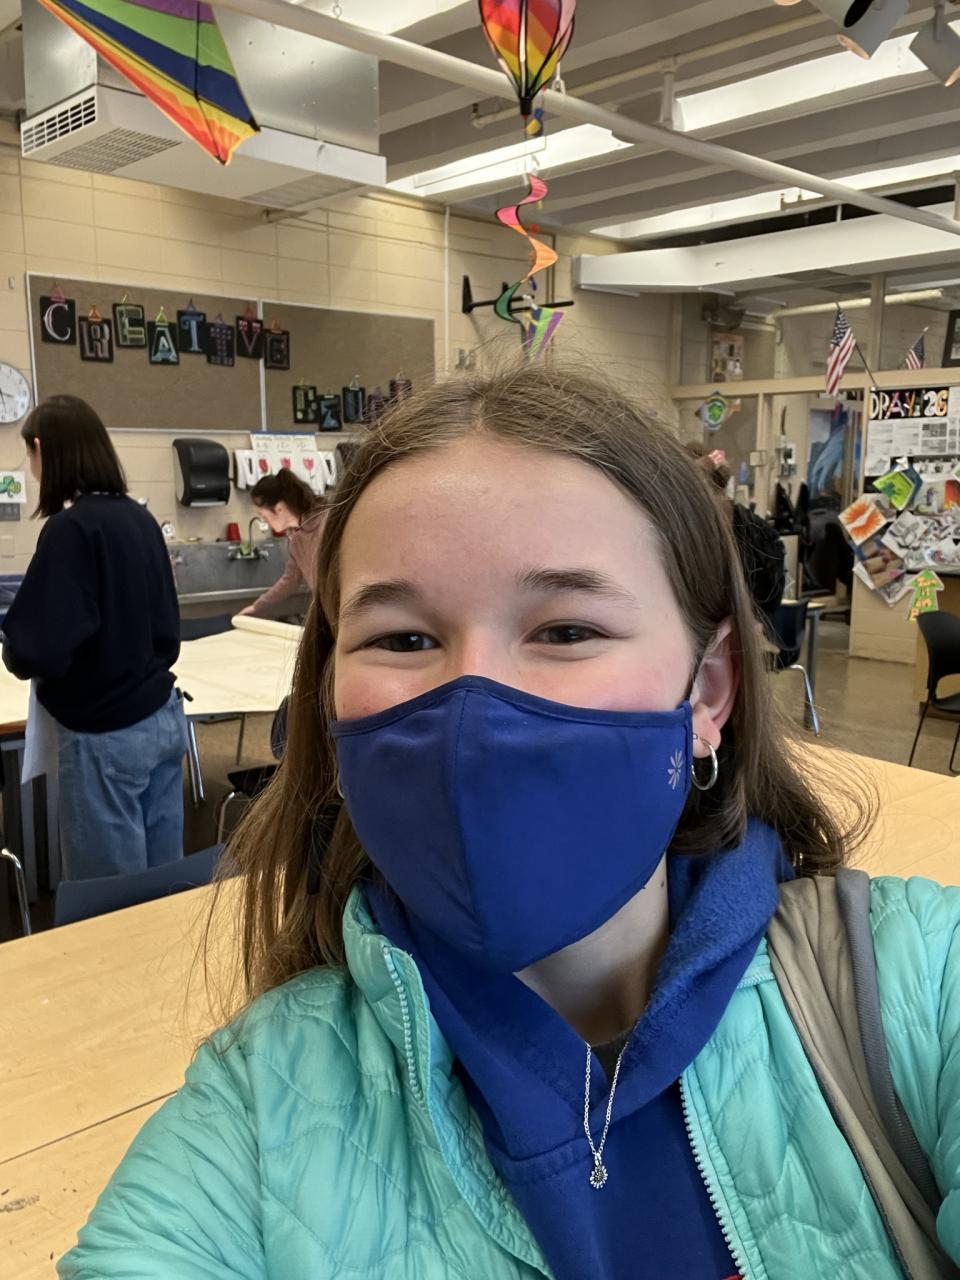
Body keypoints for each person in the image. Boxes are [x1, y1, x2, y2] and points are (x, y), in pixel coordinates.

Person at [60, 367, 960, 1278]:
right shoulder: (258, 1112)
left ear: (710, 691)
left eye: (567, 631)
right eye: (403, 638)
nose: (475, 709)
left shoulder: (917, 987)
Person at [2, 395, 186, 881]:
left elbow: (36, 647)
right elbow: (166, 627)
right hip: (162, 716)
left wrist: (14, 648)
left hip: (108, 736)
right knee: (164, 882)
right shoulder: (140, 519)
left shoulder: (70, 529)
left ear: (42, 448)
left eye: (30, 453)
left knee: (111, 899)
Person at [687, 443, 786, 622]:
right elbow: (771, 600)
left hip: (711, 625)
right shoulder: (759, 529)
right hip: (751, 625)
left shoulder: (690, 527)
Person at [238, 469, 326, 618]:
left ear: (279, 508)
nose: (264, 521)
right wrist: (257, 607)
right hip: (329, 610)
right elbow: (290, 581)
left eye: (263, 515)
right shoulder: (296, 540)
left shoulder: (326, 523)